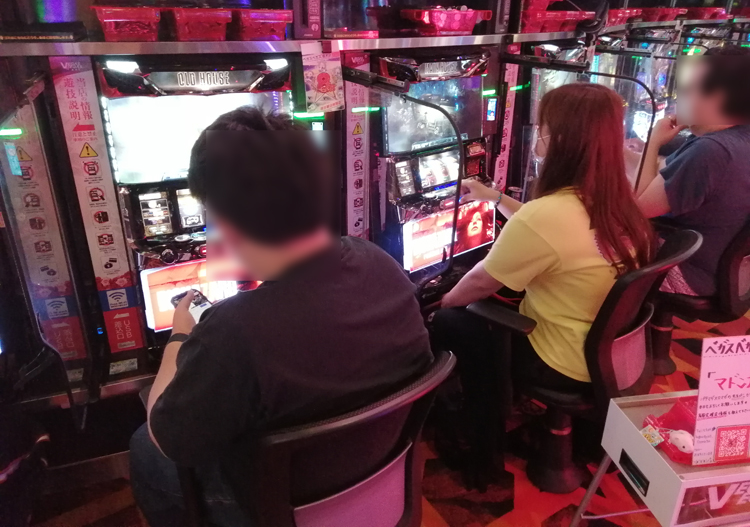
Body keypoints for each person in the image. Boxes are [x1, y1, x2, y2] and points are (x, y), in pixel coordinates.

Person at [130, 107, 433, 527]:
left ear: (222, 224)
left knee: (144, 448)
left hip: (282, 506)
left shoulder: (234, 331)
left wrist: (180, 338)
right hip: (380, 474)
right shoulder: (381, 262)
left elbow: (170, 439)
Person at [432, 83, 653, 402]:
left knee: (450, 321)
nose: (537, 135)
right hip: (611, 353)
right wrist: (494, 197)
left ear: (559, 139)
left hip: (561, 360)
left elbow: (480, 283)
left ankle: (482, 426)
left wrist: (440, 303)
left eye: (541, 127)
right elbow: (550, 231)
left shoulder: (547, 215)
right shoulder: (618, 197)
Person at [636, 47, 750, 296]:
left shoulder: (711, 151)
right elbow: (665, 175)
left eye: (689, 89)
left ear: (717, 97)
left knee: (589, 245)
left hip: (690, 273)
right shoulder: (732, 138)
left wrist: (653, 142)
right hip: (729, 273)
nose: (679, 96)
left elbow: (639, 208)